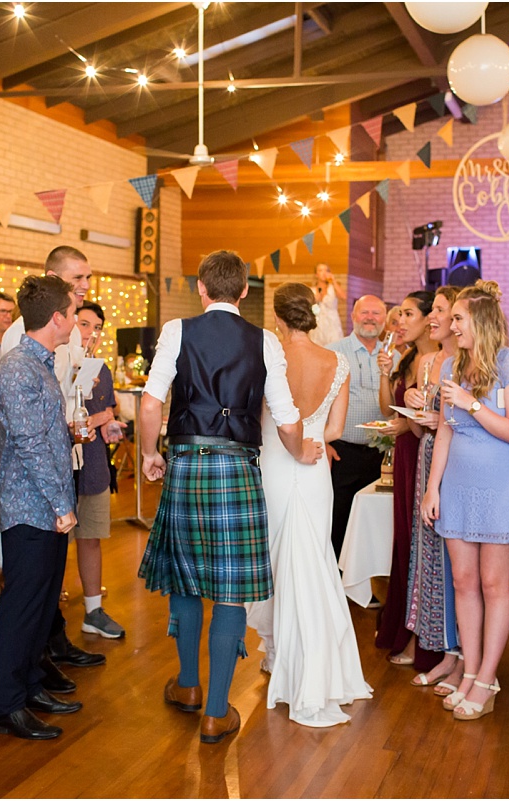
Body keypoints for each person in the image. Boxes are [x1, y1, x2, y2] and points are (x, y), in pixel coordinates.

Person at [138, 251, 319, 744]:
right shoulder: (264, 341)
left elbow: (151, 403)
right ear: (243, 291)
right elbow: (286, 420)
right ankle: (217, 713)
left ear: (201, 287)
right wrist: (301, 451)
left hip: (186, 465)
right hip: (237, 468)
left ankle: (188, 686)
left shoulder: (177, 331)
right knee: (230, 588)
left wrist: (150, 454)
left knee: (186, 576)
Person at [247, 282, 370, 726]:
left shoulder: (267, 357)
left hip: (273, 466)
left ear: (277, 317)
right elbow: (335, 429)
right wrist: (312, 438)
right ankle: (313, 662)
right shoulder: (337, 362)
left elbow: (257, 419)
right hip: (315, 465)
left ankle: (279, 653)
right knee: (314, 559)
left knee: (277, 559)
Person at [422, 281, 509, 722]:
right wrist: (433, 487)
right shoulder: (452, 364)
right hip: (458, 485)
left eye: (458, 319)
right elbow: (444, 431)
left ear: (481, 322)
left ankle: (487, 678)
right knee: (463, 581)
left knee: (493, 584)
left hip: (501, 484)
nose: (451, 326)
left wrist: (470, 404)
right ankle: (468, 671)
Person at [0, 247, 102, 688]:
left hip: (55, 480)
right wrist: (62, 503)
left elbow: (48, 414)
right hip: (32, 495)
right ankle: (14, 693)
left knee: (44, 592)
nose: (84, 287)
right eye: (77, 279)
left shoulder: (50, 350)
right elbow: (27, 438)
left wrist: (72, 428)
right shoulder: (19, 357)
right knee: (27, 598)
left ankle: (37, 672)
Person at [0, 274, 84, 740]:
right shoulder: (18, 368)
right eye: (73, 312)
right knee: (22, 608)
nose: (76, 321)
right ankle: (7, 705)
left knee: (43, 604)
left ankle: (30, 686)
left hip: (47, 504)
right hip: (31, 506)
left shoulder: (41, 364)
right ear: (57, 318)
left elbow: (40, 434)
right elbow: (28, 445)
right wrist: (61, 503)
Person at [404, 287, 464, 693]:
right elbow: (417, 428)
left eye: (441, 310)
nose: (433, 317)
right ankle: (443, 650)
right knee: (429, 559)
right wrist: (414, 407)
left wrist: (438, 420)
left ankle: (464, 656)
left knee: (458, 565)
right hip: (428, 457)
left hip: (458, 460)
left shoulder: (469, 362)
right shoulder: (427, 362)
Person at [375, 291, 438, 669]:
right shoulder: (409, 358)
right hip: (404, 453)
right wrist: (385, 373)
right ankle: (402, 626)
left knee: (420, 543)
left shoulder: (439, 361)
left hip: (424, 454)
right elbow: (388, 409)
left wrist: (407, 422)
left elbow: (422, 422)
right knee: (404, 540)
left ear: (429, 319)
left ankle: (421, 636)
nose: (399, 321)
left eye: (408, 314)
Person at [72, 302, 126, 639]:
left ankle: (93, 610)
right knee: (54, 546)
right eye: (84, 324)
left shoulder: (101, 369)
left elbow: (106, 412)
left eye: (97, 328)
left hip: (93, 464)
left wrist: (109, 425)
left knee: (90, 538)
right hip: (62, 467)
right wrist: (96, 419)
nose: (90, 333)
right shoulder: (57, 365)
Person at [326, 295, 394, 559]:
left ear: (385, 319)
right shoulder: (333, 352)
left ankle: (365, 578)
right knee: (338, 520)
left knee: (373, 526)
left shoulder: (395, 356)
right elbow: (319, 402)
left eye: (376, 313)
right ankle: (336, 577)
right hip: (343, 452)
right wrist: (325, 442)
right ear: (353, 316)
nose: (370, 318)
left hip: (381, 455)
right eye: (364, 312)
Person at [309, 263, 345, 346]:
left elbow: (343, 297)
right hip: (317, 326)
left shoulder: (332, 288)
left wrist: (333, 281)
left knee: (335, 347)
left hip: (332, 325)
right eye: (321, 270)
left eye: (326, 270)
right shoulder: (312, 290)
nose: (324, 273)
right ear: (316, 274)